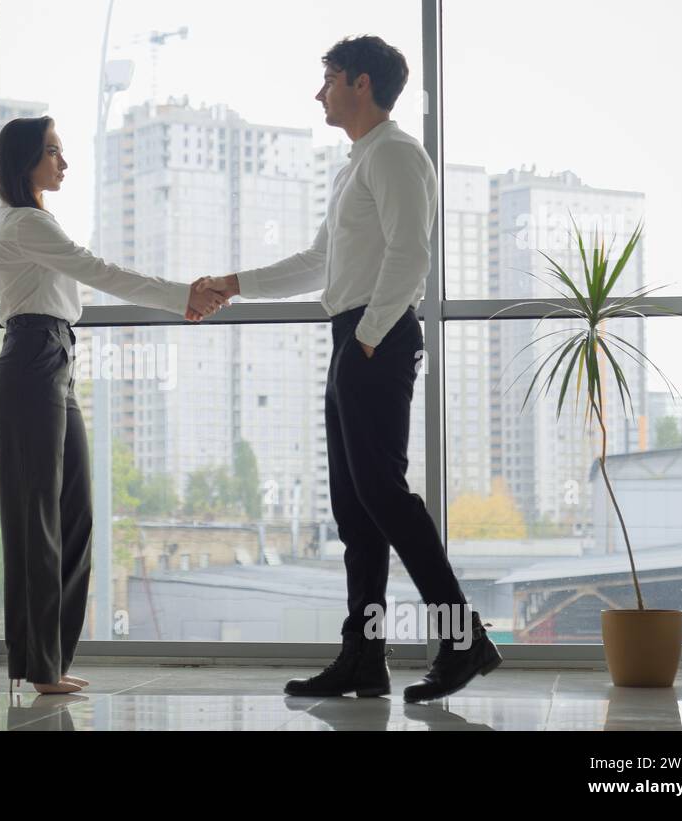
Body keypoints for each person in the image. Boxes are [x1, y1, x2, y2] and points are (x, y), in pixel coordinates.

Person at [195, 35, 501, 703]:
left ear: (362, 84)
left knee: (383, 495)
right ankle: (365, 657)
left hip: (374, 338)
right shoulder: (357, 165)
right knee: (357, 511)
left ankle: (463, 638)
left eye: (328, 78)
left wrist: (364, 340)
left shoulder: (394, 154)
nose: (319, 92)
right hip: (355, 339)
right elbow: (315, 262)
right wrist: (234, 282)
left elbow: (411, 256)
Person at [0, 115, 231, 695]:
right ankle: (40, 665)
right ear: (25, 162)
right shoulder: (26, 224)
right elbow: (101, 273)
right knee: (39, 520)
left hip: (53, 363)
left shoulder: (35, 222)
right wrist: (184, 296)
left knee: (75, 514)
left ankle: (46, 660)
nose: (63, 163)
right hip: (30, 362)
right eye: (53, 152)